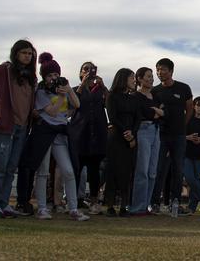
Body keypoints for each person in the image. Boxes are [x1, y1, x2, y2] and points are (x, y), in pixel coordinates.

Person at [0, 39, 37, 218]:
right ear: (16, 53)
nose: (27, 56)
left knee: (11, 167)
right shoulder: (5, 70)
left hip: (22, 126)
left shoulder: (31, 76)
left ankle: (3, 203)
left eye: (30, 53)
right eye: (24, 52)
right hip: (4, 125)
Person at [26, 53, 87, 221]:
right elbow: (51, 111)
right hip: (44, 132)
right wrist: (61, 96)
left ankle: (73, 208)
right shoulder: (41, 92)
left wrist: (68, 91)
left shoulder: (63, 89)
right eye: (50, 75)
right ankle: (42, 208)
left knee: (68, 170)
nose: (54, 78)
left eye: (56, 75)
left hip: (60, 133)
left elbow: (77, 105)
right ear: (44, 77)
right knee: (43, 171)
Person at [150, 57, 193, 215]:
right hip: (161, 134)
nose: (160, 73)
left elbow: (189, 109)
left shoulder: (183, 88)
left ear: (171, 71)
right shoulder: (155, 91)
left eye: (163, 69)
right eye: (158, 69)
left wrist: (183, 125)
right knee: (159, 168)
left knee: (178, 168)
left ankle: (175, 202)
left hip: (179, 135)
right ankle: (154, 202)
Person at [69, 61, 108, 214]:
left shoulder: (100, 92)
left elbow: (110, 103)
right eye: (85, 69)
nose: (89, 72)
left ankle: (94, 201)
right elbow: (72, 106)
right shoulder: (74, 90)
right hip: (80, 133)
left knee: (94, 171)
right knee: (76, 169)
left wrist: (103, 86)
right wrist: (83, 85)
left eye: (92, 69)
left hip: (97, 134)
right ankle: (73, 201)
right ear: (80, 73)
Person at [104, 68, 141, 217]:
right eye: (132, 77)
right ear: (123, 78)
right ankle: (110, 206)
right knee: (112, 171)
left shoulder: (134, 98)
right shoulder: (112, 96)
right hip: (116, 137)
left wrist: (132, 134)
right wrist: (126, 132)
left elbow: (138, 118)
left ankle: (124, 206)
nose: (134, 80)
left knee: (126, 172)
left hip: (130, 139)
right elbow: (112, 117)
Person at [129, 66, 163, 215]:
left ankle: (146, 205)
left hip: (156, 132)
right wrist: (155, 112)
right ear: (140, 79)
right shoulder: (135, 96)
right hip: (143, 131)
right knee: (141, 170)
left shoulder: (155, 96)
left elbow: (162, 112)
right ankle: (137, 207)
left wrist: (157, 112)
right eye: (148, 76)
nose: (151, 79)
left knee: (152, 172)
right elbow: (146, 113)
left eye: (151, 76)